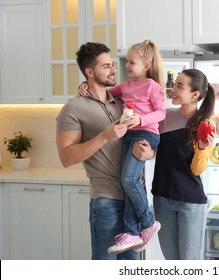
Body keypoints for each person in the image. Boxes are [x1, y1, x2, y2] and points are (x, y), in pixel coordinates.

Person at [56, 42, 153, 260]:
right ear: (90, 72)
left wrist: (150, 154)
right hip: (106, 201)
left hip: (134, 201)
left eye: (112, 64)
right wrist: (104, 136)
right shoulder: (73, 108)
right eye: (106, 66)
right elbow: (66, 157)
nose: (113, 69)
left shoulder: (122, 102)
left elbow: (144, 136)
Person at [79, 40, 166, 255]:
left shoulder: (152, 86)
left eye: (132, 62)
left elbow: (161, 113)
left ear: (146, 65)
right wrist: (84, 84)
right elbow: (104, 91)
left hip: (146, 134)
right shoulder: (125, 87)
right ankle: (131, 232)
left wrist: (141, 119)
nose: (126, 66)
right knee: (128, 182)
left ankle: (148, 222)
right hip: (130, 136)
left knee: (128, 180)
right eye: (127, 61)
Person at [139, 68, 216, 259]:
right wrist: (148, 153)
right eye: (174, 84)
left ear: (195, 95)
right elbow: (156, 151)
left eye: (180, 86)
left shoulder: (205, 124)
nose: (173, 89)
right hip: (162, 198)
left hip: (190, 200)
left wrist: (204, 147)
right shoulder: (164, 116)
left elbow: (197, 169)